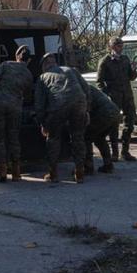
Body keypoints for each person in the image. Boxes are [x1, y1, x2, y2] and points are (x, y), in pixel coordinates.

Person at [0, 45, 34, 183]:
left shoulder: (5, 65)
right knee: (14, 138)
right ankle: (16, 172)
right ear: (29, 61)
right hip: (15, 108)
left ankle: (2, 171)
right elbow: (28, 95)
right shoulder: (28, 74)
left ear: (17, 56)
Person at [34, 53, 90, 183]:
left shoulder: (43, 77)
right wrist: (87, 109)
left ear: (44, 65)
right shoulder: (71, 70)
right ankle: (79, 172)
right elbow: (86, 89)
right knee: (78, 137)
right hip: (79, 103)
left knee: (53, 138)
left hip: (58, 106)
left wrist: (43, 122)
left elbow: (39, 104)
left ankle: (53, 173)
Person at [96, 37, 137, 161]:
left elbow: (131, 77)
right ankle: (114, 153)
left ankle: (125, 152)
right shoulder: (105, 61)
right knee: (114, 125)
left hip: (127, 96)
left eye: (121, 46)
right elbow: (99, 82)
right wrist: (106, 95)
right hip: (113, 97)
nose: (120, 48)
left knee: (130, 123)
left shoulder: (125, 59)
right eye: (118, 46)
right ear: (112, 47)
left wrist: (134, 69)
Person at [84, 85, 121, 175]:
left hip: (104, 114)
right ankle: (108, 164)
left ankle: (88, 167)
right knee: (99, 139)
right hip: (115, 112)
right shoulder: (87, 87)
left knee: (86, 138)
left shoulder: (81, 89)